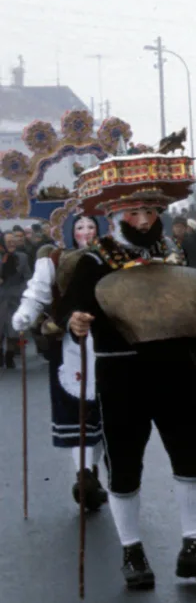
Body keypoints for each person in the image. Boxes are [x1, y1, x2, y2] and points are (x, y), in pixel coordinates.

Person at [61, 172, 196, 591]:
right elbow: (74, 310)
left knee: (191, 459)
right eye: (133, 211)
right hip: (122, 373)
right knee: (125, 464)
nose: (142, 219)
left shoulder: (172, 254)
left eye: (150, 210)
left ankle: (194, 545)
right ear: (117, 214)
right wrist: (76, 321)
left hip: (178, 372)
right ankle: (132, 550)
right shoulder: (94, 261)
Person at [10, 212, 107, 511]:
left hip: (109, 341)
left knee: (106, 411)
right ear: (68, 231)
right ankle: (84, 472)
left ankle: (96, 471)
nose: (86, 231)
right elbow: (37, 292)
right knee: (75, 410)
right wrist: (25, 312)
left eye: (92, 226)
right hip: (70, 343)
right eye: (79, 227)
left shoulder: (112, 256)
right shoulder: (52, 259)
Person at [0, 230, 30, 368]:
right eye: (8, 241)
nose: (12, 244)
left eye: (14, 241)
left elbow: (28, 277)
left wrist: (22, 291)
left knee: (13, 330)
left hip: (15, 298)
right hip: (0, 298)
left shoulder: (22, 257)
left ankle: (10, 356)